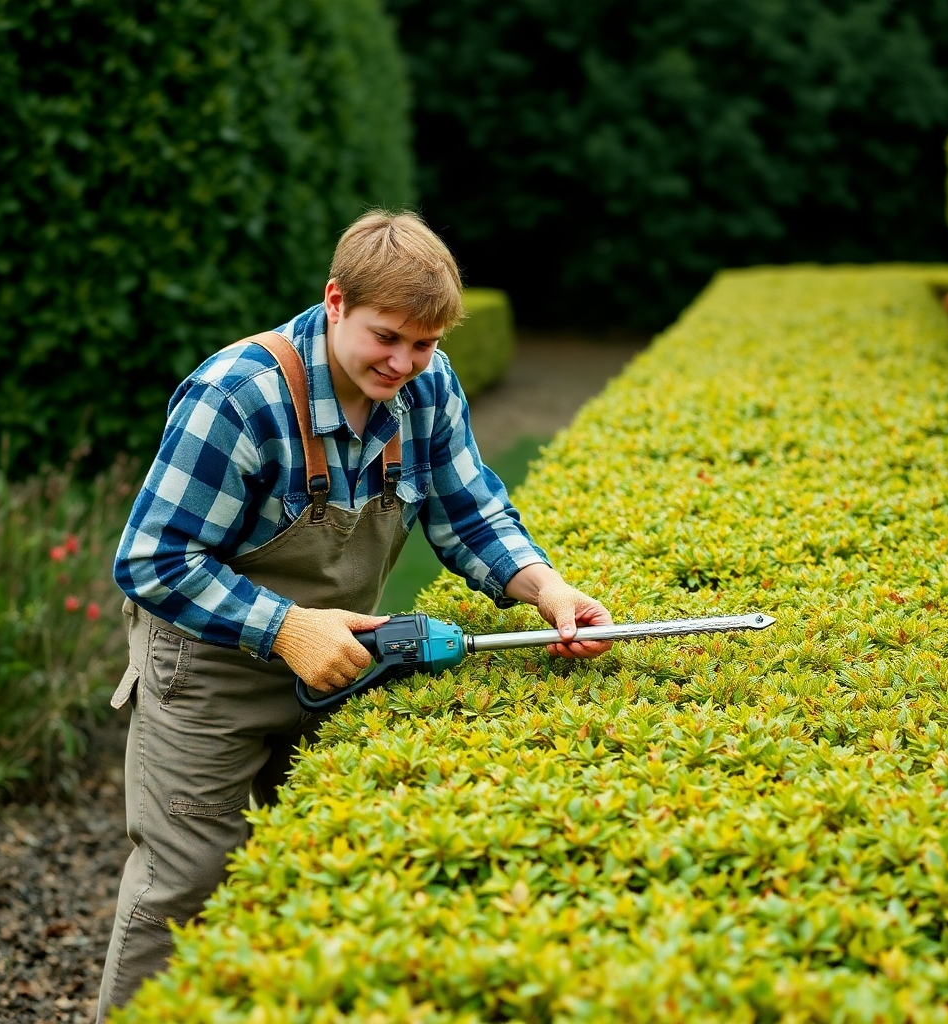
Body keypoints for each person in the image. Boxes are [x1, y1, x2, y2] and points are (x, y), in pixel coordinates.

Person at [97, 210, 612, 1018]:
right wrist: (287, 627)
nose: (405, 363)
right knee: (183, 890)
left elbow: (470, 513)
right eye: (388, 338)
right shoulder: (238, 396)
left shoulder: (425, 387)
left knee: (307, 877)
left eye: (426, 344)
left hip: (337, 665)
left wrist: (546, 588)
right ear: (335, 302)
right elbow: (150, 561)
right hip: (209, 676)